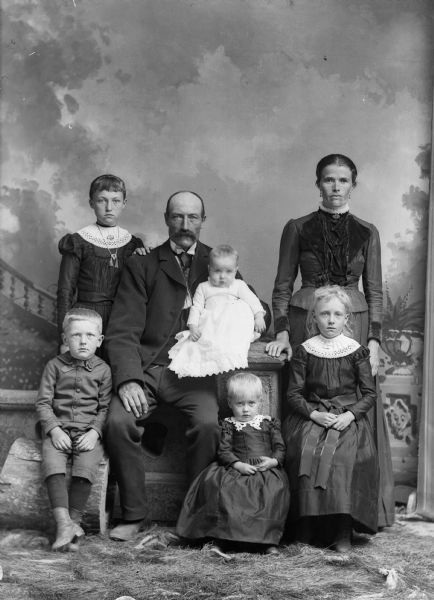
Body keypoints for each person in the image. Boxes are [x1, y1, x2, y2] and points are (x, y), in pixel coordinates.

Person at [104, 191, 269, 542]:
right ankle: (134, 515)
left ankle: (194, 517)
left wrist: (273, 326)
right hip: (148, 367)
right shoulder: (143, 264)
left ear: (203, 220)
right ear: (166, 218)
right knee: (118, 421)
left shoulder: (217, 261)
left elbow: (254, 301)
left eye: (193, 218)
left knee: (209, 424)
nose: (185, 225)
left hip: (191, 374)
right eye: (178, 217)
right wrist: (128, 380)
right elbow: (122, 328)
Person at [266, 153, 394, 528]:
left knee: (355, 408)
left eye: (342, 180)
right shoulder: (297, 227)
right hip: (307, 319)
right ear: (317, 184)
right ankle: (304, 513)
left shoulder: (367, 231)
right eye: (328, 180)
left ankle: (351, 512)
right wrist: (283, 331)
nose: (335, 187)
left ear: (353, 184)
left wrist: (374, 340)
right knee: (305, 408)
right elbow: (281, 286)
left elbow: (374, 290)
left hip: (353, 321)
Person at [284, 286, 379, 552]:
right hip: (312, 414)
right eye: (324, 314)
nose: (330, 320)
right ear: (314, 317)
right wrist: (313, 414)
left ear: (347, 318)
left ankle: (341, 531)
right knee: (305, 449)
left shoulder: (356, 351)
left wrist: (349, 416)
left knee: (343, 455)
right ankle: (306, 527)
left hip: (347, 418)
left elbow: (369, 394)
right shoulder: (305, 350)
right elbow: (293, 394)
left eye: (337, 314)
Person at [176, 372, 289, 554]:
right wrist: (237, 464)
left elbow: (280, 447)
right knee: (226, 490)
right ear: (230, 403)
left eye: (251, 403)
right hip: (237, 466)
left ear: (259, 401)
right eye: (240, 404)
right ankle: (221, 540)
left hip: (264, 468)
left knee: (271, 491)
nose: (246, 410)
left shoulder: (268, 423)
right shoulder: (228, 424)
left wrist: (273, 461)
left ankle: (266, 542)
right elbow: (224, 451)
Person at [35, 308, 112, 551]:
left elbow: (105, 407)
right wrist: (54, 430)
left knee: (86, 466)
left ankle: (75, 521)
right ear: (65, 338)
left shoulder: (103, 370)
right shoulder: (54, 366)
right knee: (52, 463)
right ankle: (64, 525)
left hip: (87, 432)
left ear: (99, 341)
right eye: (76, 335)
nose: (82, 340)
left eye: (90, 335)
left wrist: (94, 433)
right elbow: (43, 403)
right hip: (59, 429)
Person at [56, 174, 145, 350]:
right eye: (101, 201)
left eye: (116, 201)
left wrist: (142, 258)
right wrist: (65, 335)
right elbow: (65, 292)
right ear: (91, 203)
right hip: (85, 321)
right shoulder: (78, 242)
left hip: (121, 321)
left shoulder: (133, 244)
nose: (109, 208)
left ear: (124, 203)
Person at [168, 244, 266, 377]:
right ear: (209, 269)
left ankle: (231, 346)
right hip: (211, 323)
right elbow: (196, 308)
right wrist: (193, 327)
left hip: (232, 323)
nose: (222, 277)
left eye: (228, 271)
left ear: (236, 270)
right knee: (198, 341)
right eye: (217, 271)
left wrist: (258, 316)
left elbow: (253, 301)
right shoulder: (203, 287)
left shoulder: (238, 285)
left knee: (241, 307)